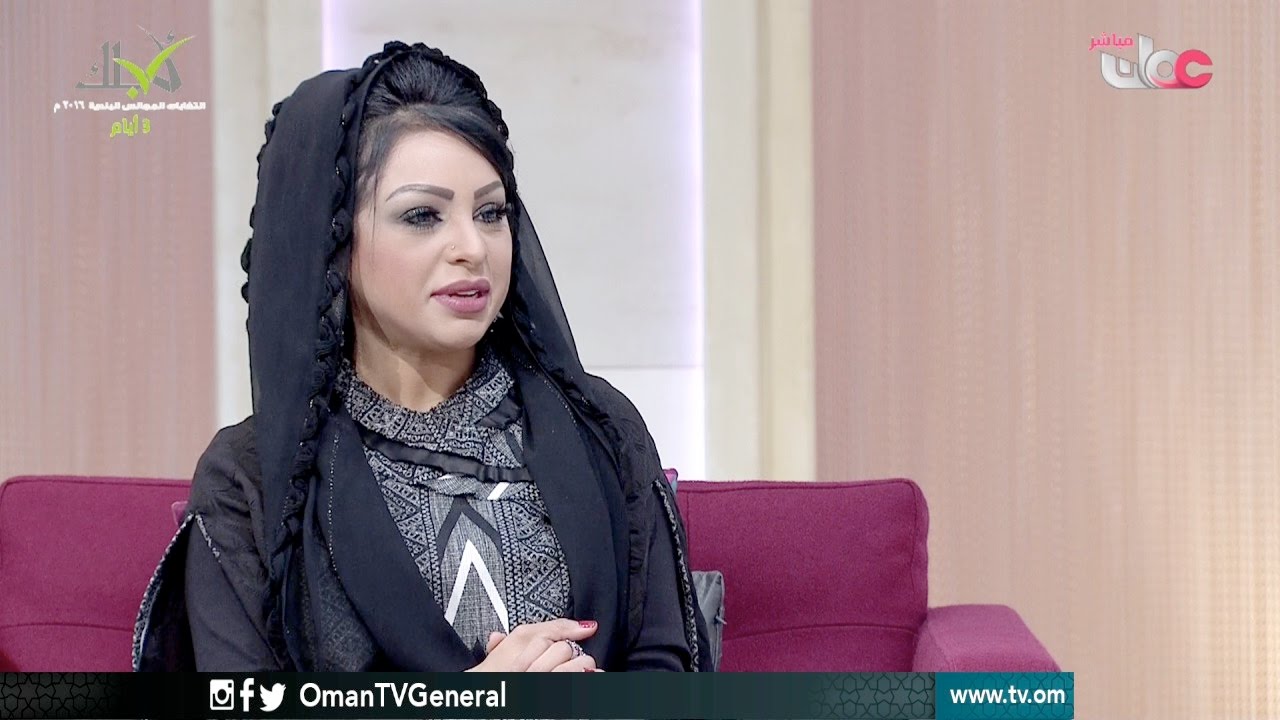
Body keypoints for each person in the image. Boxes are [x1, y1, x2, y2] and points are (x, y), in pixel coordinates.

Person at [131, 40, 711, 672]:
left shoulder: (601, 427)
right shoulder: (254, 479)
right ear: (334, 243)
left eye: (490, 212)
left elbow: (666, 668)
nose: (472, 247)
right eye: (422, 216)